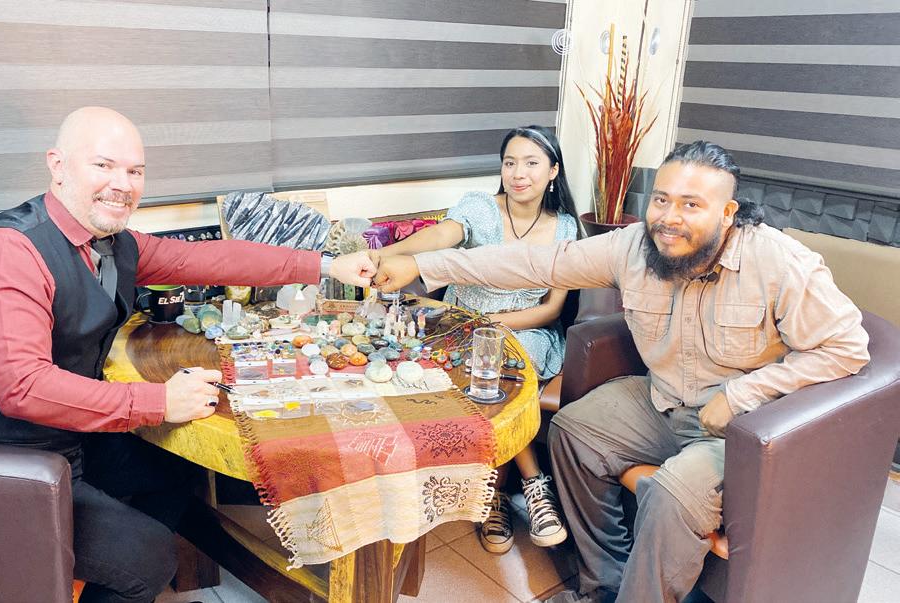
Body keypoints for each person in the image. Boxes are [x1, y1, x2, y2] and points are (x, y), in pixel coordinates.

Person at [0, 107, 376, 603]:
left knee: (177, 468)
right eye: (103, 165)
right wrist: (159, 402)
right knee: (150, 558)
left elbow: (207, 258)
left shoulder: (114, 243)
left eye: (135, 171)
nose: (122, 184)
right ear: (57, 165)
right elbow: (22, 388)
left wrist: (327, 265)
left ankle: (103, 558)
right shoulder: (8, 250)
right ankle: (120, 562)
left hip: (66, 437)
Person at [372, 141, 870, 603]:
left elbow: (848, 348)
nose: (669, 218)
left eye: (691, 205)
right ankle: (604, 587)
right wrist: (424, 266)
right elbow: (535, 263)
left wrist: (743, 394)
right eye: (661, 200)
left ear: (727, 213)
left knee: (674, 496)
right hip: (663, 399)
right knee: (573, 432)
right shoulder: (634, 246)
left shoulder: (779, 261)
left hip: (741, 429)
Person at [370, 125, 574, 553]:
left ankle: (496, 495)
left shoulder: (565, 229)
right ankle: (530, 485)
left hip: (525, 330)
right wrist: (385, 255)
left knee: (495, 368)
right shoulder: (480, 207)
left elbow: (552, 308)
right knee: (479, 370)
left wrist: (495, 325)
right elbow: (441, 236)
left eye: (531, 163)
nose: (518, 173)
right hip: (461, 326)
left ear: (554, 170)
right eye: (510, 163)